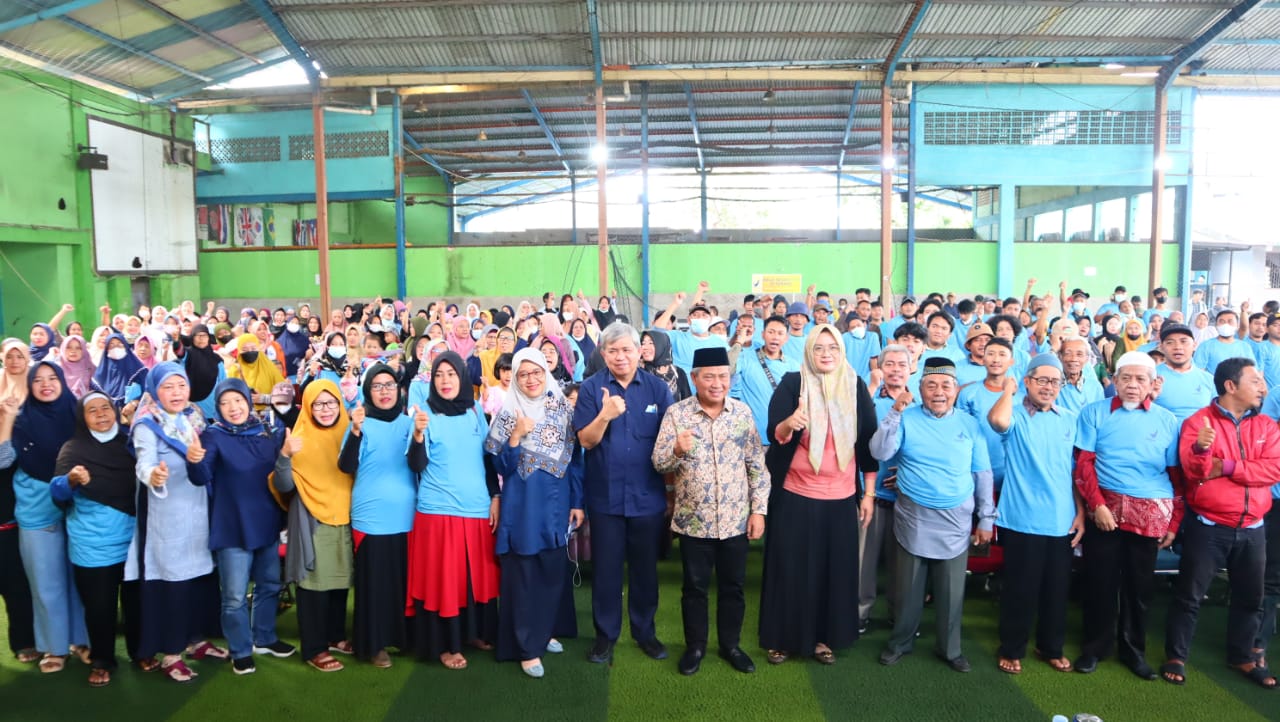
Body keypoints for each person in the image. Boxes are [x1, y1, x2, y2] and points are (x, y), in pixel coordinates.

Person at [759, 325, 878, 666]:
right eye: (819, 348)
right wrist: (790, 422)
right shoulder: (792, 383)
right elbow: (775, 432)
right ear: (808, 351)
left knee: (832, 571)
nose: (826, 354)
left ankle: (824, 639)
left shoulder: (853, 387)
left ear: (841, 353)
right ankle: (781, 638)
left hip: (840, 497)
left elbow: (868, 444)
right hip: (795, 493)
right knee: (790, 568)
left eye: (833, 348)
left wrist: (867, 493)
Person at [1163, 357, 1279, 689]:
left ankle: (1242, 655)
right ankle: (1176, 655)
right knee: (1189, 595)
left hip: (1254, 527)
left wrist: (1226, 466)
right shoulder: (1198, 423)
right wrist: (1202, 451)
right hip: (1209, 526)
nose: (1263, 388)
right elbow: (1194, 472)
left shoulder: (1267, 426)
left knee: (1250, 597)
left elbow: (1273, 471)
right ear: (1231, 386)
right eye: (1255, 381)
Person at [873, 357, 995, 673]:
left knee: (952, 592)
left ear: (955, 389)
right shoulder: (906, 417)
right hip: (914, 517)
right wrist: (895, 412)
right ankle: (900, 642)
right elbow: (880, 452)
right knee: (907, 590)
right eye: (931, 385)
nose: (938, 392)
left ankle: (950, 649)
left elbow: (982, 472)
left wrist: (985, 518)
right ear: (920, 388)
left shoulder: (970, 424)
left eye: (945, 385)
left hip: (956, 519)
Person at [653, 346, 768, 675]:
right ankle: (696, 647)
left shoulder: (742, 414)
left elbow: (757, 467)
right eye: (709, 377)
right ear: (694, 378)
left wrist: (758, 511)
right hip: (693, 524)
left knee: (733, 587)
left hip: (735, 522)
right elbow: (658, 461)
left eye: (723, 376)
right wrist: (676, 448)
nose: (717, 383)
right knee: (694, 588)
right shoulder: (678, 414)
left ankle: (730, 645)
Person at [1073, 351, 1183, 679]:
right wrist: (1097, 506)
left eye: (1140, 379)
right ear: (1115, 380)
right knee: (1099, 582)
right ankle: (1094, 648)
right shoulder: (1093, 413)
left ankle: (1133, 651)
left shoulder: (1167, 420)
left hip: (1151, 511)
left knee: (1140, 586)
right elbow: (1083, 464)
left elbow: (1177, 479)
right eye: (1126, 378)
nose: (1133, 385)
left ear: (1152, 384)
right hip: (1104, 509)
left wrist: (1174, 522)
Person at [573, 322, 675, 665]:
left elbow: (669, 444)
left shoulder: (658, 390)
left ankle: (645, 632)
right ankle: (605, 636)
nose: (620, 357)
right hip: (605, 499)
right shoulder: (591, 389)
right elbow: (586, 441)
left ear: (639, 352)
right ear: (603, 354)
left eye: (627, 350)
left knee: (646, 570)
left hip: (648, 499)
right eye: (613, 350)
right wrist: (605, 414)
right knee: (606, 571)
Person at [485, 348, 584, 678]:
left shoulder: (561, 409)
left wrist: (577, 501)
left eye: (537, 372)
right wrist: (515, 437)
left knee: (551, 569)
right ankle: (526, 647)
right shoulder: (508, 412)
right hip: (523, 504)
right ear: (514, 377)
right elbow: (499, 464)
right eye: (523, 374)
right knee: (525, 573)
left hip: (556, 501)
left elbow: (576, 460)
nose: (531, 380)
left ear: (546, 372)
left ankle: (545, 632)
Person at [190, 378, 295, 675]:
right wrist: (194, 461)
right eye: (225, 403)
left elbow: (281, 470)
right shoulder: (212, 435)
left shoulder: (264, 430)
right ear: (218, 407)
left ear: (248, 401)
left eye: (237, 400)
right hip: (231, 525)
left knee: (270, 584)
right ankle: (240, 648)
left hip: (266, 521)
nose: (232, 408)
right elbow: (201, 477)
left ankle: (265, 637)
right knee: (234, 595)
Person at [130, 362, 228, 682]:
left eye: (181, 386)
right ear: (155, 390)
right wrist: (154, 475)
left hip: (199, 510)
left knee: (200, 578)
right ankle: (171, 653)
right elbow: (143, 464)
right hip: (166, 515)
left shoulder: (194, 417)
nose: (176, 393)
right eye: (168, 387)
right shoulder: (147, 424)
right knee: (173, 582)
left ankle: (196, 640)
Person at [986, 354, 1083, 675]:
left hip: (1061, 519)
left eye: (1055, 381)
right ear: (1026, 381)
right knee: (1020, 589)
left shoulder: (1070, 418)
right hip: (1021, 518)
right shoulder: (1014, 414)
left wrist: (1081, 512)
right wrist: (1007, 392)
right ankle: (1011, 648)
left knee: (1057, 591)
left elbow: (1075, 472)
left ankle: (1050, 647)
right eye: (1041, 380)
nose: (1048, 387)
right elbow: (997, 423)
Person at [406, 351, 501, 670]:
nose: (445, 380)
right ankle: (446, 644)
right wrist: (418, 434)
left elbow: (488, 459)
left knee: (473, 579)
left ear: (462, 376)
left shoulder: (475, 410)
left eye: (451, 374)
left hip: (476, 509)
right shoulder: (424, 414)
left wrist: (495, 496)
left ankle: (472, 633)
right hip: (438, 511)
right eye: (438, 375)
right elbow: (415, 464)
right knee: (444, 583)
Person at [0, 361, 89, 673]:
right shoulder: (21, 418)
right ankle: (54, 646)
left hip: (79, 505)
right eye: (38, 380)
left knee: (79, 579)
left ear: (63, 380)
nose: (46, 384)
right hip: (37, 507)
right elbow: (4, 458)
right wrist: (8, 418)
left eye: (53, 378)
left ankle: (81, 640)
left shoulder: (78, 413)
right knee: (45, 581)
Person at [49, 392, 140, 686]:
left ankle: (141, 653)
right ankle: (103, 660)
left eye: (105, 408)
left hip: (133, 538)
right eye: (92, 410)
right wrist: (72, 480)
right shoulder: (72, 449)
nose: (101, 414)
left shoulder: (130, 443)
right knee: (100, 606)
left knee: (136, 601)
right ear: (82, 417)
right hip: (92, 543)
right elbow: (58, 495)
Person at [337, 363, 424, 668]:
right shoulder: (360, 422)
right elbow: (346, 466)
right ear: (367, 391)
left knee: (402, 582)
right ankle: (373, 645)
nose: (384, 391)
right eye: (377, 386)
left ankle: (404, 638)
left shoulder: (408, 423)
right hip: (370, 518)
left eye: (389, 385)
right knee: (374, 585)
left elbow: (418, 465)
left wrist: (417, 435)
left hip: (407, 516)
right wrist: (357, 431)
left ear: (399, 390)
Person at [269, 379, 355, 673]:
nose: (326, 409)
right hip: (311, 518)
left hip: (345, 514)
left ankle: (334, 636)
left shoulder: (349, 432)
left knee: (340, 580)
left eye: (331, 402)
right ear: (307, 405)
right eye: (318, 403)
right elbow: (283, 485)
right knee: (314, 583)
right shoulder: (297, 438)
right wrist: (284, 455)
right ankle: (313, 647)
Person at [730, 316, 799, 447]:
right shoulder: (746, 357)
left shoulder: (793, 366)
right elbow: (727, 369)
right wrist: (739, 341)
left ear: (786, 338)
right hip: (751, 440)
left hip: (782, 440)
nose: (775, 337)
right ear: (762, 335)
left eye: (780, 333)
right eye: (771, 332)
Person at [1154, 324, 1215, 425]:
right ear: (1161, 347)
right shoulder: (1150, 377)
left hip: (1198, 439)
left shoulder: (1208, 379)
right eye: (1170, 343)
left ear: (1194, 345)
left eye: (1184, 341)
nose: (1178, 347)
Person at [1193, 309, 1253, 375]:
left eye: (1230, 321)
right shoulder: (1205, 346)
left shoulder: (1244, 347)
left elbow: (1251, 371)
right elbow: (1198, 372)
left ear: (1237, 325)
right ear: (1216, 325)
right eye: (1222, 321)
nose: (1226, 325)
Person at [1057, 338, 1105, 414]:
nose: (1074, 359)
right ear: (1060, 357)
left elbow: (1099, 415)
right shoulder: (1052, 385)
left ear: (1087, 358)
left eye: (1079, 354)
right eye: (1068, 354)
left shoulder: (1095, 386)